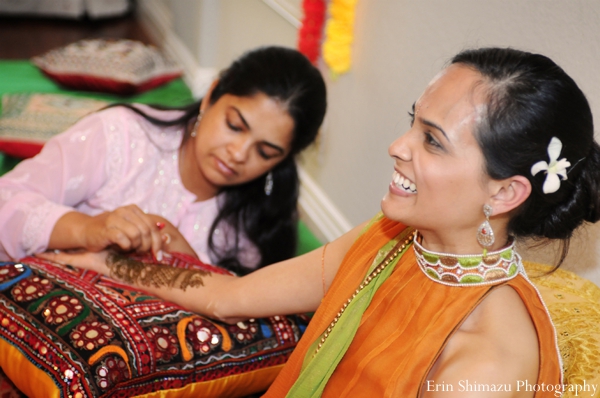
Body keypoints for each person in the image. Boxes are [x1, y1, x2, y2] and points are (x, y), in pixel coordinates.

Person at [40, 47, 600, 397]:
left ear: (505, 192)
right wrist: (107, 261)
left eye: (431, 141)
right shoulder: (387, 242)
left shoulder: (488, 361)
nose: (397, 147)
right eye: (413, 122)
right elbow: (230, 298)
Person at [0, 46, 327, 275]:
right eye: (235, 126)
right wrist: (89, 229)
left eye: (265, 152)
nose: (239, 154)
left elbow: (248, 312)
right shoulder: (121, 136)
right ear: (211, 96)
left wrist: (186, 261)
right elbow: (7, 201)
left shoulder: (262, 214)